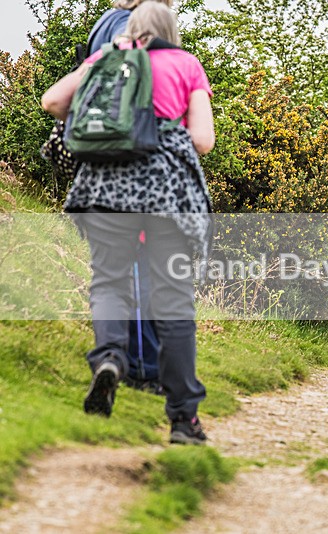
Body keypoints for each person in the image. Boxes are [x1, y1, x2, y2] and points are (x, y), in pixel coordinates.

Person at [41, 2, 215, 445]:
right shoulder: (186, 64)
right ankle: (183, 419)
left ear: (132, 28)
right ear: (171, 29)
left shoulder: (107, 57)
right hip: (167, 194)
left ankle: (110, 359)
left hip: (104, 186)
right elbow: (203, 140)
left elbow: (53, 101)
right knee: (173, 301)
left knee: (109, 281)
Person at [88, 0, 174, 396]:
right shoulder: (130, 28)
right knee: (142, 270)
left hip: (100, 167)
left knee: (110, 275)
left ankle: (112, 356)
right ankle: (142, 368)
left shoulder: (103, 24)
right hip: (136, 168)